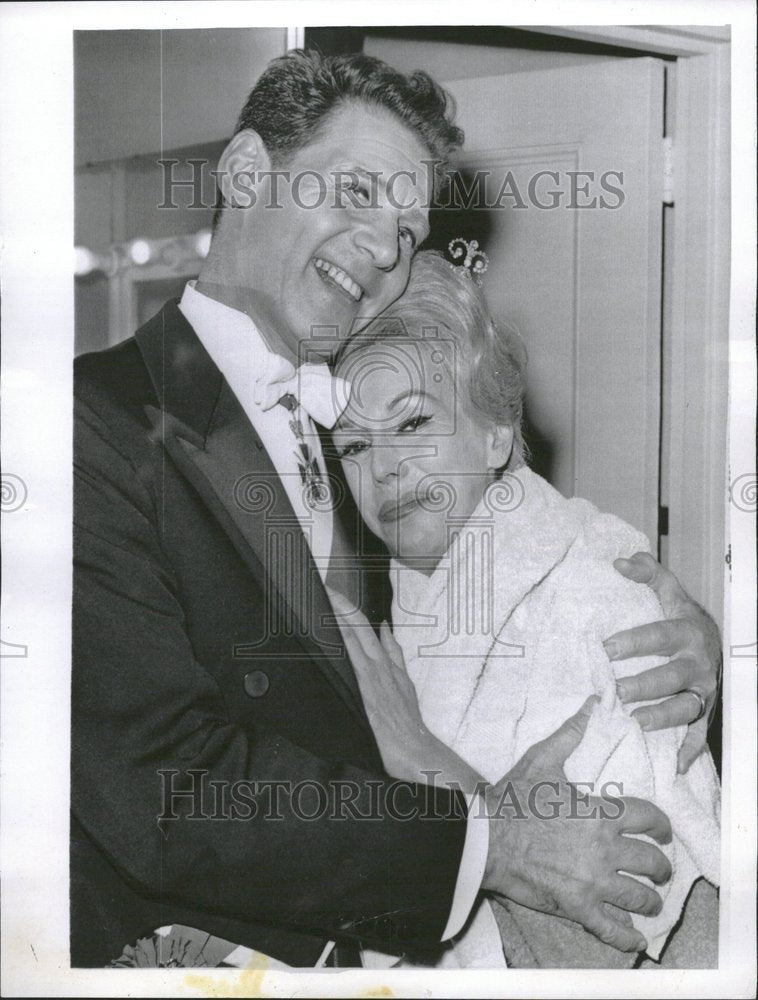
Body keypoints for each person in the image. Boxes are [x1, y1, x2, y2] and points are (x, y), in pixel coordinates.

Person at [72, 49, 721, 968]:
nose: (385, 247)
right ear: (246, 172)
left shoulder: (361, 432)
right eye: (358, 192)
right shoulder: (88, 421)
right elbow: (163, 789)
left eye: (409, 229)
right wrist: (490, 842)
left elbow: (516, 576)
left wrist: (675, 638)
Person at [329, 250, 720, 968]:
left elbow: (621, 918)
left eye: (412, 423)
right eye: (353, 443)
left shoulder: (594, 589)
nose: (383, 468)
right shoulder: (392, 626)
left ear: (496, 433)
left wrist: (423, 762)